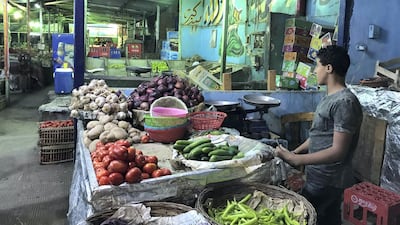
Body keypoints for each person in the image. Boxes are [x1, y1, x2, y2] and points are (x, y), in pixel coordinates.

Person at [274, 45, 363, 225]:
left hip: (329, 180)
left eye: (317, 66)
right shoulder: (330, 97)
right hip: (317, 176)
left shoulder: (344, 102)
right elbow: (318, 136)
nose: (315, 71)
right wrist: (295, 152)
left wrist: (297, 160)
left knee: (317, 219)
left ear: (329, 68)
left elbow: (338, 151)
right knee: (320, 217)